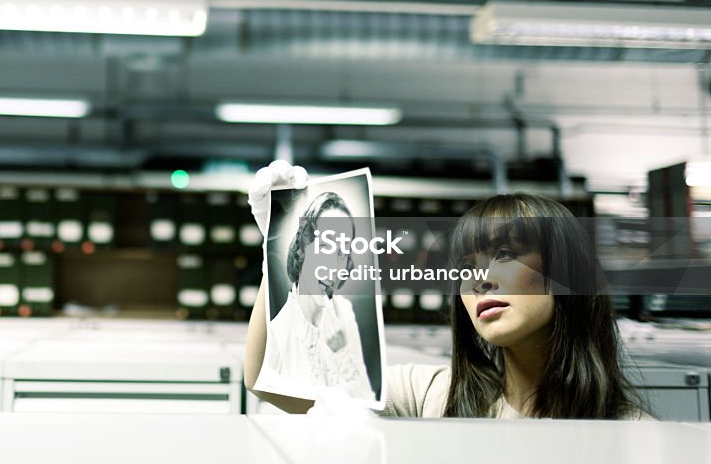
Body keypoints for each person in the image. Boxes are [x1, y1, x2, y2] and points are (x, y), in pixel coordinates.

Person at [244, 160, 653, 420]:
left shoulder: (632, 433)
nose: (480, 279)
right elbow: (270, 383)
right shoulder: (433, 395)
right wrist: (278, 252)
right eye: (467, 267)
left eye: (506, 254)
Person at [256, 190, 376, 402]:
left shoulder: (344, 312)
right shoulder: (278, 333)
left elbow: (367, 401)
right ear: (303, 248)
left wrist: (342, 353)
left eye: (342, 253)